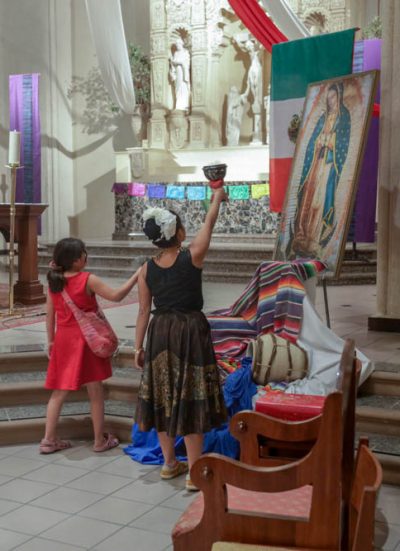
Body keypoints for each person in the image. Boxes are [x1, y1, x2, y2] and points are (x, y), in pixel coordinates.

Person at [134, 188, 228, 491]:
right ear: (180, 232)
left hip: (159, 332)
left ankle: (169, 463)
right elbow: (210, 223)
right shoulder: (193, 256)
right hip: (189, 330)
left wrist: (137, 347)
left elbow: (142, 311)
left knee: (162, 397)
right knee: (190, 396)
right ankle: (194, 471)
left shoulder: (145, 269)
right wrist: (216, 198)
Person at [40, 238, 141, 454]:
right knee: (95, 392)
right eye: (84, 254)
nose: (87, 256)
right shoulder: (87, 279)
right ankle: (98, 440)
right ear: (77, 260)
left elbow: (50, 316)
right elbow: (116, 296)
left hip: (63, 341)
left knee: (58, 393)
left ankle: (48, 440)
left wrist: (50, 340)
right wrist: (136, 276)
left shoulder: (54, 281)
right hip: (87, 342)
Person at [290, 82, 351, 258]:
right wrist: (319, 141)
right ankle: (302, 235)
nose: (331, 101)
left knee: (321, 200)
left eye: (334, 97)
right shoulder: (323, 117)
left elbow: (343, 144)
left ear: (339, 97)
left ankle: (315, 238)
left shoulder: (344, 117)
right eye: (328, 97)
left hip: (329, 166)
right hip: (316, 164)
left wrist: (331, 141)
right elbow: (312, 142)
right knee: (308, 197)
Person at [169, 37, 191, 111]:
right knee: (177, 87)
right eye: (176, 45)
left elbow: (186, 63)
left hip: (183, 72)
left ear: (181, 44)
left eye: (178, 44)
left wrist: (179, 62)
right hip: (177, 72)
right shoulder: (176, 53)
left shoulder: (185, 52)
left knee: (183, 86)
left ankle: (184, 105)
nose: (177, 46)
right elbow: (173, 63)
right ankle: (178, 105)